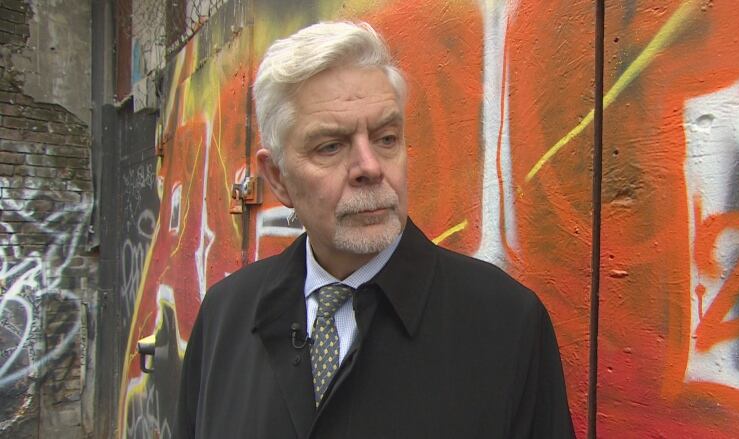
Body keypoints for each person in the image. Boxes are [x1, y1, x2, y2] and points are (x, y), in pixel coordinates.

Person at [174, 21, 574, 438]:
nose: (369, 167)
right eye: (331, 146)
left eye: (386, 138)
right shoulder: (225, 317)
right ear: (277, 178)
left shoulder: (505, 324)